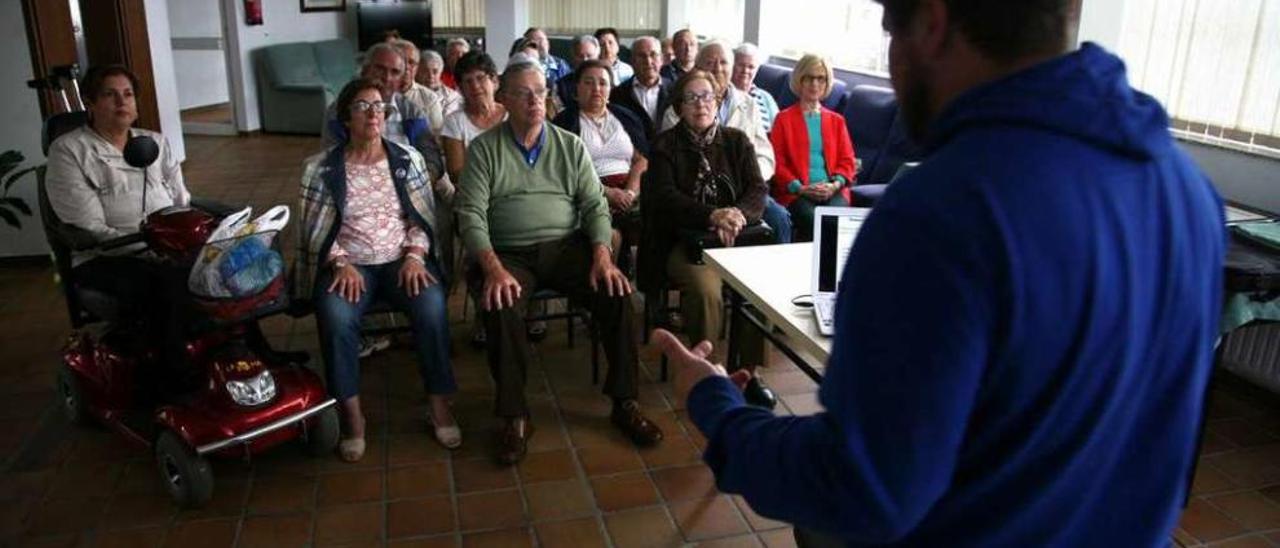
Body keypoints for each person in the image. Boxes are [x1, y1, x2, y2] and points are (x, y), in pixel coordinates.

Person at [655, 0, 1224, 545]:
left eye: (890, 29)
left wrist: (717, 407)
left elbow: (860, 489)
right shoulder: (1187, 190)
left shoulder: (941, 212)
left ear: (930, 22)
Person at [455, 60, 664, 465]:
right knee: (500, 305)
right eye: (524, 93)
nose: (536, 100)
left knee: (616, 292)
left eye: (541, 91)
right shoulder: (484, 149)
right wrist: (493, 267)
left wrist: (603, 256)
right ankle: (515, 416)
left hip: (567, 246)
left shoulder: (569, 146)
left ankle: (625, 402)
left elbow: (594, 206)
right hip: (509, 254)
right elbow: (470, 215)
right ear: (505, 100)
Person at [297, 79, 460, 462]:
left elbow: (423, 217)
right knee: (336, 317)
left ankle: (439, 404)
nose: (374, 114)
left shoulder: (407, 159)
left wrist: (416, 255)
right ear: (345, 119)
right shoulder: (319, 169)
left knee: (432, 308)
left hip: (402, 260)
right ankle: (353, 418)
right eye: (362, 106)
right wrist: (340, 261)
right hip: (349, 266)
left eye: (379, 107)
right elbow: (312, 229)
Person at [45, 64, 193, 384]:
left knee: (230, 271)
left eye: (127, 94)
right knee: (167, 285)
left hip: (169, 247)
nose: (121, 102)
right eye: (110, 95)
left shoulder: (154, 142)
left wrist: (185, 238)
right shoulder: (69, 150)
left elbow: (181, 201)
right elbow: (89, 227)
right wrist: (152, 246)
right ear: (91, 103)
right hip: (106, 256)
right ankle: (176, 380)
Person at [640, 69, 771, 405]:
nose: (701, 104)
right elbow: (665, 198)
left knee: (758, 287)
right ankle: (710, 374)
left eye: (707, 96)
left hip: (735, 239)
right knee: (705, 290)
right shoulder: (665, 145)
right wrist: (712, 215)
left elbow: (758, 189)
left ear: (718, 102)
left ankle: (750, 373)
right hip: (685, 243)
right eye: (691, 98)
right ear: (680, 107)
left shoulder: (736, 141)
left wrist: (738, 214)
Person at [661, 41, 792, 245]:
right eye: (710, 62)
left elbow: (765, 156)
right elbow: (672, 178)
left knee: (779, 218)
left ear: (732, 68)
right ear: (697, 67)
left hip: (745, 189)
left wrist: (741, 199)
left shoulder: (749, 104)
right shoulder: (677, 109)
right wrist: (718, 213)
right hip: (698, 195)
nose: (717, 68)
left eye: (723, 62)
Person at [440, 51, 510, 349]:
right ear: (459, 88)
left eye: (481, 78)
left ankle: (531, 305)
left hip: (515, 197)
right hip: (475, 201)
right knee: (478, 239)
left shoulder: (512, 114)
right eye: (467, 81)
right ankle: (484, 311)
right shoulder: (455, 123)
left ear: (494, 80)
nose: (475, 86)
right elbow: (457, 174)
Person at [551, 59, 649, 271]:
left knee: (659, 222)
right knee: (609, 231)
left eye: (603, 83)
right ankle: (609, 286)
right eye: (588, 82)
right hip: (587, 193)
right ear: (576, 88)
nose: (596, 88)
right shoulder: (563, 122)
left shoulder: (626, 116)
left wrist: (630, 193)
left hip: (630, 192)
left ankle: (648, 290)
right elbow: (563, 172)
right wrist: (607, 193)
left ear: (611, 88)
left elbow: (641, 160)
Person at [322, 43, 444, 184]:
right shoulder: (340, 109)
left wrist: (417, 183)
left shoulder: (411, 111)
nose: (387, 78)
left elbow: (432, 157)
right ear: (365, 70)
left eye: (395, 72)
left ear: (401, 79)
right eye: (380, 69)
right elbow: (331, 159)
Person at [768, 54, 856, 242]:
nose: (815, 84)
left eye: (820, 78)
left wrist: (834, 185)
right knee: (814, 221)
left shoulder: (837, 121)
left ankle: (832, 270)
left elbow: (847, 160)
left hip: (832, 189)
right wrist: (801, 188)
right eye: (809, 77)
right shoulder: (784, 119)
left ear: (826, 82)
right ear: (799, 80)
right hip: (797, 192)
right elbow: (777, 162)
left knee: (836, 220)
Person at [611, 35, 672, 143]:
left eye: (653, 55)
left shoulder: (675, 90)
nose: (648, 61)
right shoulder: (617, 95)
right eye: (641, 56)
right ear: (632, 61)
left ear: (661, 59)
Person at [388, 38, 444, 139]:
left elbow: (436, 138)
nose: (406, 67)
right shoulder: (380, 94)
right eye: (402, 60)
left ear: (417, 67)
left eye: (411, 62)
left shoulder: (429, 98)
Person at [731, 43, 780, 133]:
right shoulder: (725, 93)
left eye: (751, 67)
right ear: (732, 65)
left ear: (757, 70)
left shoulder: (766, 98)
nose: (745, 71)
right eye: (741, 65)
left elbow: (779, 129)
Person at [555, 35, 602, 110]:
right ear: (573, 56)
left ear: (597, 56)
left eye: (589, 56)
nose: (585, 60)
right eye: (580, 56)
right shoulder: (561, 86)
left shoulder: (606, 82)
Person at [419, 49, 463, 121]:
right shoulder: (409, 93)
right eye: (425, 71)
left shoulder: (452, 97)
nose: (430, 76)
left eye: (435, 71)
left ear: (441, 72)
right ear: (418, 72)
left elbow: (445, 123)